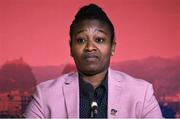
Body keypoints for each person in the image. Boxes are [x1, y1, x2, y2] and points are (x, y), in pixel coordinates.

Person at [23, 3, 163, 118]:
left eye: (99, 40)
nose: (90, 47)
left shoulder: (141, 94)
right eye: (81, 40)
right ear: (71, 48)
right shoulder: (45, 96)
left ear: (112, 47)